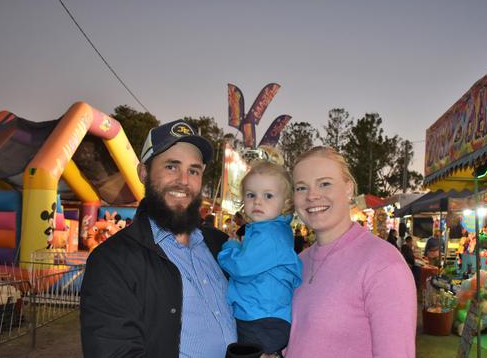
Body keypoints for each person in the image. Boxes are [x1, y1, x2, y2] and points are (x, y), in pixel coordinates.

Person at [80, 119, 236, 358]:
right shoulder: (112, 261)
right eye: (171, 167)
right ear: (144, 172)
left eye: (193, 170)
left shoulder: (221, 246)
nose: (184, 180)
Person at [286, 146, 416, 358]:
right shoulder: (298, 262)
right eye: (301, 188)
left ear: (348, 189)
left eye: (324, 183)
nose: (312, 196)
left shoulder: (383, 265)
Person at [218, 160, 303, 357]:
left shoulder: (270, 235)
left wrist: (229, 248)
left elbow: (241, 267)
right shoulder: (268, 230)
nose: (258, 201)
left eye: (268, 196)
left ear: (286, 203)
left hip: (261, 319)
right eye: (251, 195)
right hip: (264, 317)